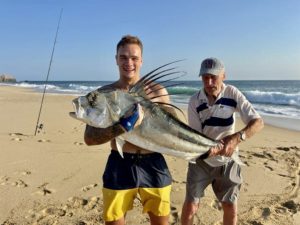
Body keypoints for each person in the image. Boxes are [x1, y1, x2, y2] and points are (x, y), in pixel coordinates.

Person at [84, 35, 173, 225]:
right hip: (120, 162)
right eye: (123, 57)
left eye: (134, 58)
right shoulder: (103, 95)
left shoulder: (158, 93)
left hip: (154, 163)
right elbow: (89, 138)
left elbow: (175, 130)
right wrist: (122, 127)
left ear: (141, 60)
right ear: (116, 59)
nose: (129, 62)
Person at [181, 57, 264, 225]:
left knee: (230, 206)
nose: (209, 82)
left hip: (229, 160)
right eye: (205, 77)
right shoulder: (194, 101)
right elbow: (197, 137)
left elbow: (258, 123)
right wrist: (211, 150)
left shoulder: (233, 93)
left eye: (214, 77)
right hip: (201, 161)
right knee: (191, 205)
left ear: (223, 75)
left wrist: (237, 138)